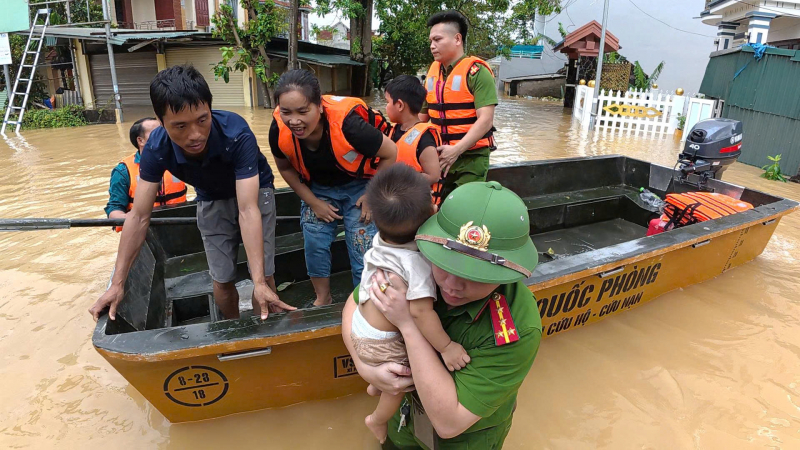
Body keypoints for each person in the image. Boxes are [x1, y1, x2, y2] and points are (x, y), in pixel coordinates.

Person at [342, 180, 541, 449]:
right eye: (446, 266)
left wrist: (408, 324)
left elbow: (449, 423)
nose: (452, 286)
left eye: (476, 277)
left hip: (461, 441)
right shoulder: (418, 258)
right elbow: (354, 305)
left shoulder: (517, 327)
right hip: (402, 421)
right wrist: (366, 368)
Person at [90, 65, 294, 322]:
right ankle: (232, 327)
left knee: (263, 277)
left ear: (210, 109)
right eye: (180, 126)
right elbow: (139, 216)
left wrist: (259, 281)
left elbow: (248, 209)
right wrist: (117, 283)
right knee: (221, 279)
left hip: (254, 192)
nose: (195, 134)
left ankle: (264, 324)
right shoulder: (156, 147)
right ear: (161, 121)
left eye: (202, 120)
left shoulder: (236, 133)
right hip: (209, 196)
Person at [353, 164, 470, 444]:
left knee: (386, 372)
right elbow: (419, 312)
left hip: (361, 322)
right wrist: (447, 347)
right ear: (431, 214)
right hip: (382, 342)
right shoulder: (415, 264)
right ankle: (377, 420)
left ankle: (373, 383)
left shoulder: (379, 239)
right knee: (403, 382)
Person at [270, 69, 398, 307]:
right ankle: (323, 298)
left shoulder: (350, 126)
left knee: (362, 243)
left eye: (303, 111)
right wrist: (313, 202)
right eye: (286, 112)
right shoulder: (278, 129)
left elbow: (391, 153)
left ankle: (365, 302)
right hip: (318, 189)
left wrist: (372, 195)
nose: (294, 121)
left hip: (362, 186)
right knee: (314, 240)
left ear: (319, 106)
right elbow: (285, 168)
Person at [420, 10, 499, 199]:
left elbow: (486, 120)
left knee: (463, 208)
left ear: (457, 39)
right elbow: (421, 118)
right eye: (431, 41)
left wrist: (456, 150)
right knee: (435, 206)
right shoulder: (432, 74)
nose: (432, 46)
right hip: (438, 156)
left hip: (471, 158)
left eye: (438, 39)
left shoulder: (477, 72)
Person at [104, 117, 187, 231]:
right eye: (156, 132)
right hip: (144, 229)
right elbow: (114, 208)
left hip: (180, 225)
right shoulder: (123, 171)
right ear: (140, 140)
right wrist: (128, 218)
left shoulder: (180, 160)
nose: (163, 136)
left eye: (163, 131)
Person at [383, 75, 444, 205]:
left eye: (387, 102)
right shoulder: (392, 131)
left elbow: (433, 175)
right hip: (396, 200)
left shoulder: (424, 138)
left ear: (399, 105)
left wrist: (400, 180)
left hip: (415, 204)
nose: (385, 107)